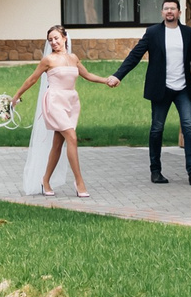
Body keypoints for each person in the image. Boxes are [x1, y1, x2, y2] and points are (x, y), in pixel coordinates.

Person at [12, 25, 117, 197]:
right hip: (54, 102)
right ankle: (79, 182)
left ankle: (45, 179)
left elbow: (88, 75)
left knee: (58, 144)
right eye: (50, 40)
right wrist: (16, 96)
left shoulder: (73, 58)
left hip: (71, 102)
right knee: (72, 137)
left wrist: (107, 80)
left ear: (65, 38)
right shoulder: (48, 60)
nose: (53, 42)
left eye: (56, 38)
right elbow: (32, 79)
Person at [114, 0, 191, 185]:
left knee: (188, 127)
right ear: (162, 12)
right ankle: (155, 171)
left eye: (173, 8)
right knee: (157, 129)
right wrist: (118, 75)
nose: (170, 11)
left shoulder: (189, 33)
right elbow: (135, 55)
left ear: (179, 12)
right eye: (166, 9)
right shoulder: (153, 32)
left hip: (184, 89)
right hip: (161, 89)